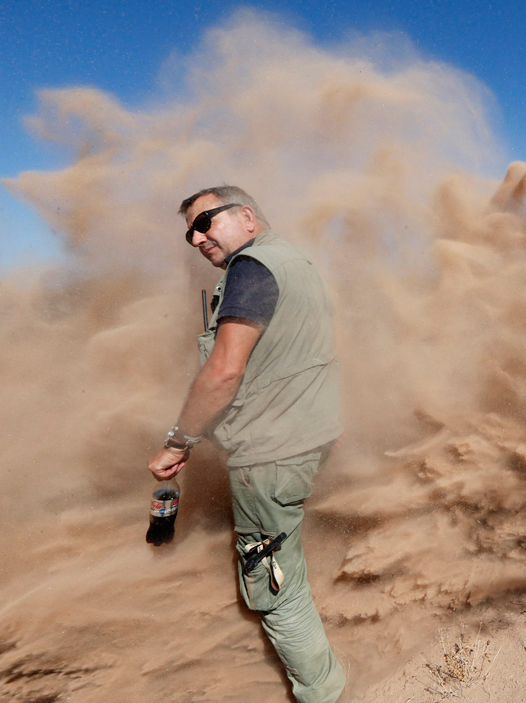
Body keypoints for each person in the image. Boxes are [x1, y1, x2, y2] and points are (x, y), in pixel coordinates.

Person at [146, 185, 346, 703]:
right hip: (310, 433)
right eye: (190, 230)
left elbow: (223, 373)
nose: (195, 237)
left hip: (272, 452)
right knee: (285, 550)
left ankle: (321, 693)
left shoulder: (251, 269)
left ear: (247, 217)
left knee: (274, 586)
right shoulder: (294, 260)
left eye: (205, 221)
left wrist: (178, 442)